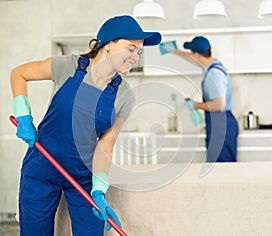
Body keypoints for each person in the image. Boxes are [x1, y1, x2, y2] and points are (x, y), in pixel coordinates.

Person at [10, 15, 161, 235]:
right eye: (131, 49)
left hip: (82, 177)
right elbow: (19, 73)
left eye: (139, 52)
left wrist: (99, 189)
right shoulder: (69, 66)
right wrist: (23, 116)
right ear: (109, 45)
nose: (135, 57)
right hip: (41, 168)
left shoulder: (124, 95)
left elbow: (106, 146)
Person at [160, 36, 238, 162]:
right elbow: (193, 59)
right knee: (217, 166)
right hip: (219, 124)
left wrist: (195, 105)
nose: (190, 54)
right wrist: (174, 51)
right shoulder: (211, 65)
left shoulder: (214, 74)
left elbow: (219, 105)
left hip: (221, 126)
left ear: (197, 54)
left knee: (222, 169)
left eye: (192, 52)